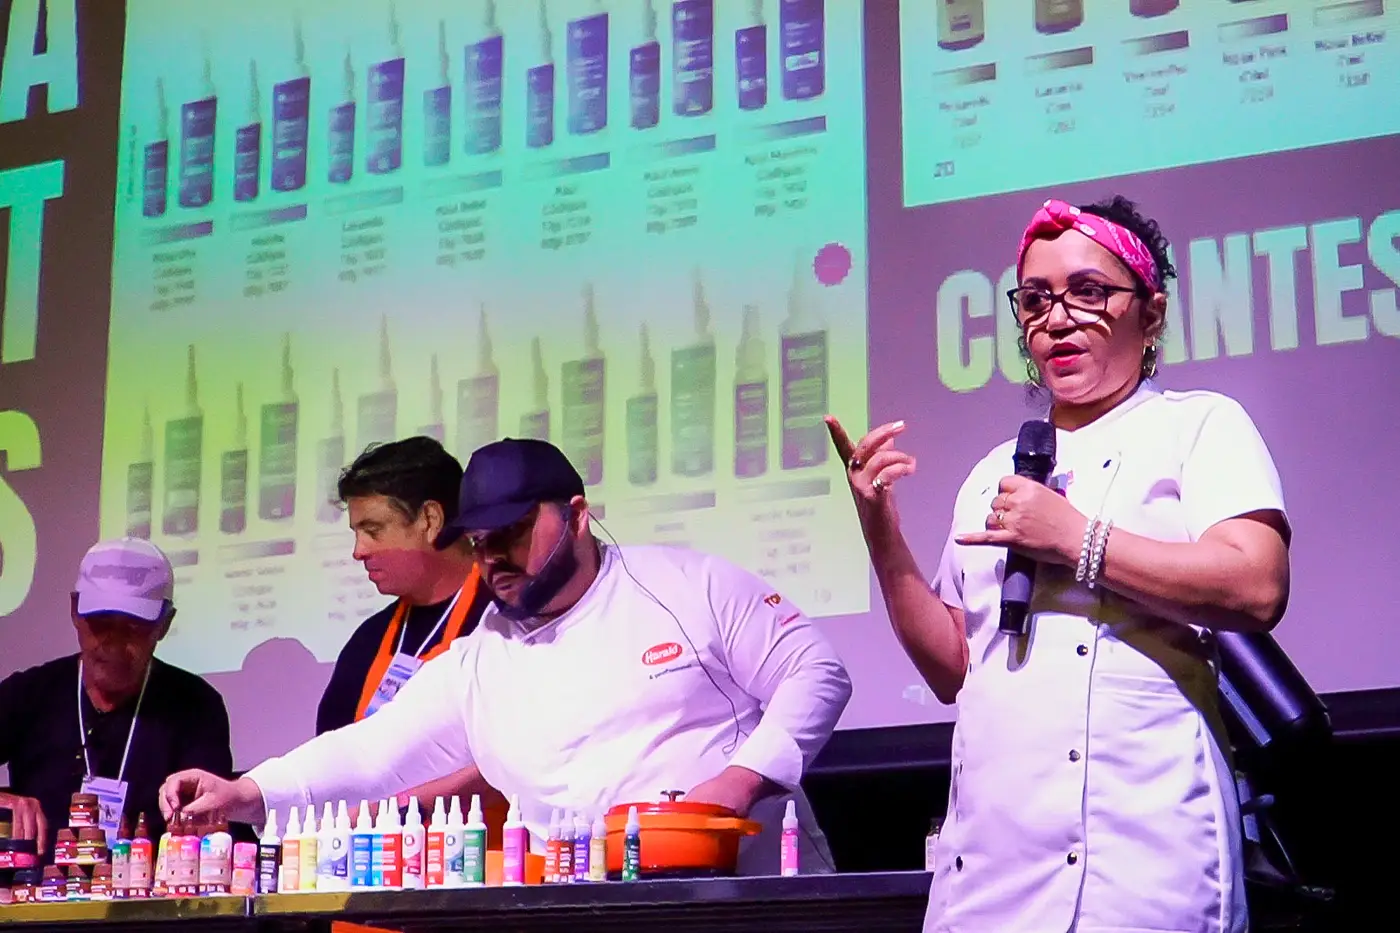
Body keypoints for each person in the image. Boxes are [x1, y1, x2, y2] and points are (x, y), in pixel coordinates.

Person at [827, 196, 1289, 932]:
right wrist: (881, 532)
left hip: (1141, 855)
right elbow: (954, 667)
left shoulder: (1198, 425)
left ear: (1151, 313)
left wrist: (1076, 539)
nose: (1057, 318)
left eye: (1088, 292)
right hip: (991, 865)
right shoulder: (993, 472)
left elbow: (1257, 585)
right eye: (1036, 299)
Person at [160, 438, 852, 874]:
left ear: (576, 515)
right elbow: (372, 751)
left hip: (748, 895)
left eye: (513, 534)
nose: (494, 558)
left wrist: (740, 780)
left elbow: (816, 672)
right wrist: (246, 792)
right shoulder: (482, 659)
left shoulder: (688, 586)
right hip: (585, 912)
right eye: (480, 542)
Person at [0, 539, 234, 858]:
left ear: (164, 623)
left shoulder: (196, 707)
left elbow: (210, 824)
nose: (114, 641)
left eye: (134, 626)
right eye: (100, 623)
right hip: (37, 886)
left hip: (148, 884)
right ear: (75, 611)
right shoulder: (28, 694)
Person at [314, 436, 502, 823]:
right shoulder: (367, 642)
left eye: (373, 530)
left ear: (430, 520)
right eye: (356, 533)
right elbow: (332, 765)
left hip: (493, 851)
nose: (359, 551)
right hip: (374, 851)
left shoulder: (507, 620)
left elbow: (520, 757)